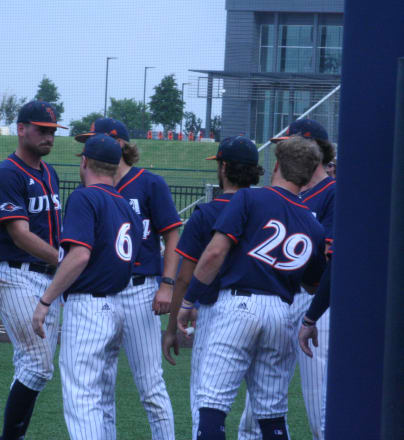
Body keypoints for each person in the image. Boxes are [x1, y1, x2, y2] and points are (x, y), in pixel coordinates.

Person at [179, 136, 326, 440]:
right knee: (271, 414)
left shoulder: (250, 199)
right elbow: (313, 284)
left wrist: (189, 300)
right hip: (281, 313)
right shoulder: (313, 224)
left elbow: (215, 253)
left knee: (213, 405)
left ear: (278, 165)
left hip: (238, 306)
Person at [32, 133, 142, 440]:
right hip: (116, 306)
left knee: (82, 399)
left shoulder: (85, 197)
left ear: (84, 162)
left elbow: (79, 255)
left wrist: (45, 301)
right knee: (103, 399)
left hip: (89, 307)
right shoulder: (127, 206)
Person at [75, 118, 180, 439]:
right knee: (101, 388)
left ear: (119, 144)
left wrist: (167, 283)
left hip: (140, 291)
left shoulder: (149, 183)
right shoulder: (91, 187)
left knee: (151, 387)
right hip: (102, 295)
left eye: (96, 140)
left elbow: (173, 233)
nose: (88, 148)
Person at [160, 136, 264, 439]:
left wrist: (171, 326)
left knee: (207, 404)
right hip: (266, 308)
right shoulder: (267, 208)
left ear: (224, 168)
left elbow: (184, 277)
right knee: (264, 410)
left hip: (216, 312)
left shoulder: (206, 214)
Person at [239, 119, 336, 440]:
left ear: (313, 151)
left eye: (289, 144)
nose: (281, 151)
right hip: (280, 301)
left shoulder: (334, 193)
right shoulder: (287, 196)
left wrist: (312, 313)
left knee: (321, 412)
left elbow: (330, 262)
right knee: (256, 414)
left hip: (316, 304)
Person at [0, 100, 65, 440]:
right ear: (21, 129)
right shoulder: (8, 173)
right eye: (41, 130)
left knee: (31, 365)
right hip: (16, 275)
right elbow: (19, 234)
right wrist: (65, 262)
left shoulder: (50, 173)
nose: (48, 137)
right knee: (38, 365)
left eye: (52, 131)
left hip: (45, 279)